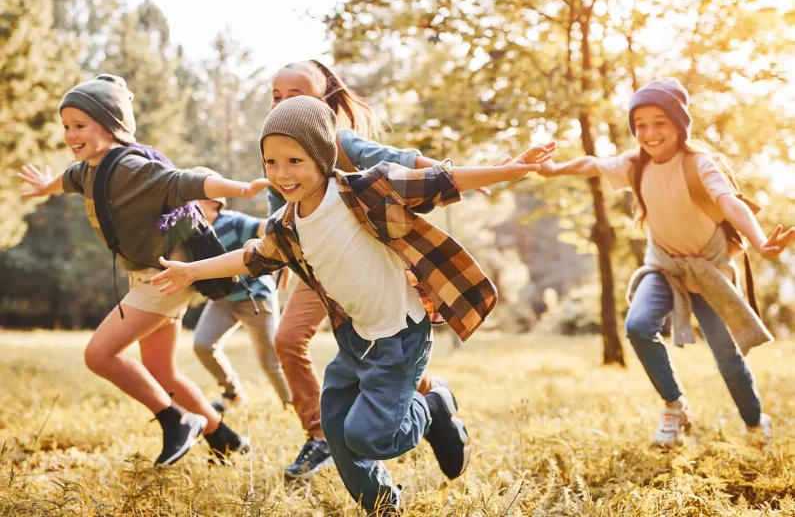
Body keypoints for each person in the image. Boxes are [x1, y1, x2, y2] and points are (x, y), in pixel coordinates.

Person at [152, 95, 556, 513]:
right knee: (336, 428)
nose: (282, 174)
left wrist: (510, 169)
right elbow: (252, 257)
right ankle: (381, 505)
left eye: (294, 161)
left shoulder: (365, 190)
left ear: (322, 157)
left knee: (369, 436)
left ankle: (432, 406)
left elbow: (437, 180)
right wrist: (191, 271)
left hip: (400, 336)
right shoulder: (286, 225)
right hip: (355, 340)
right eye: (271, 162)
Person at [17, 74, 263, 465]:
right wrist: (45, 186)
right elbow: (68, 180)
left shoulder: (130, 167)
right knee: (161, 371)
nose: (71, 135)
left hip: (164, 276)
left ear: (111, 125)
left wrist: (240, 189)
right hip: (149, 276)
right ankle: (225, 440)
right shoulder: (89, 169)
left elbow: (182, 182)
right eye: (66, 126)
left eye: (80, 125)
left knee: (99, 354)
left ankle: (176, 420)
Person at [537, 77, 794, 447]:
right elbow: (591, 163)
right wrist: (554, 169)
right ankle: (675, 407)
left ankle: (755, 422)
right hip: (664, 267)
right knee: (638, 326)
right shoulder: (635, 164)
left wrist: (761, 242)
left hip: (709, 271)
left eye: (660, 122)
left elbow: (730, 204)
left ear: (679, 124)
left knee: (727, 356)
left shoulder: (699, 164)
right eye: (640, 125)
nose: (649, 133)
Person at [266, 60, 487, 479]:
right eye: (276, 96)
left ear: (324, 101)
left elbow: (392, 159)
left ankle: (428, 403)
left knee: (382, 347)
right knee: (289, 339)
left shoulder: (339, 140)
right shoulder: (278, 149)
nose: (281, 103)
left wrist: (447, 173)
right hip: (319, 268)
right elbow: (277, 214)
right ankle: (321, 434)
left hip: (368, 263)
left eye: (295, 95)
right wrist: (280, 263)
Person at [190, 167, 292, 412]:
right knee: (203, 345)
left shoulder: (234, 222)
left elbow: (267, 229)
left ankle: (293, 405)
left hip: (255, 298)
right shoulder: (193, 232)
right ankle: (233, 393)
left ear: (213, 200)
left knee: (270, 361)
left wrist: (285, 255)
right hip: (223, 300)